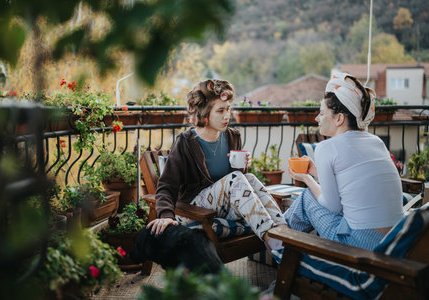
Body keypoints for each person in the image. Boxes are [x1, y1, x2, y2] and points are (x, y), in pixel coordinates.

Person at [147, 79, 285, 250]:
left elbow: (237, 183)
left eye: (228, 109)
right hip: (195, 211)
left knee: (249, 177)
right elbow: (166, 185)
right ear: (204, 114)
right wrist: (166, 215)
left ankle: (284, 234)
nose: (227, 116)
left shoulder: (233, 136)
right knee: (237, 178)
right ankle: (274, 243)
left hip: (225, 208)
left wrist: (243, 166)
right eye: (220, 110)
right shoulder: (186, 142)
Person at [286, 72, 404, 250]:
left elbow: (332, 206)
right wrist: (315, 171)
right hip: (393, 243)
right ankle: (282, 240)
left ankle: (277, 240)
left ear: (339, 118)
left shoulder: (327, 147)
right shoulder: (376, 142)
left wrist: (307, 179)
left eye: (322, 113)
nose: (317, 118)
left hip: (360, 244)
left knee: (307, 196)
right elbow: (354, 183)